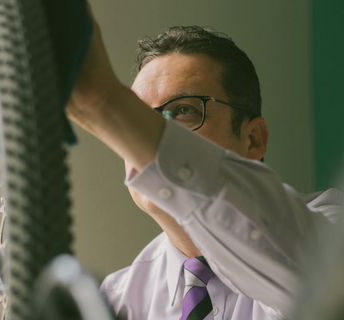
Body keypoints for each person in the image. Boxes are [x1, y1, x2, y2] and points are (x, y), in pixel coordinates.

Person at [66, 12, 343, 320]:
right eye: (140, 117)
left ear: (253, 140)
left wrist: (105, 104)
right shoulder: (116, 299)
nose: (140, 138)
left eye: (183, 110)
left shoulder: (332, 234)